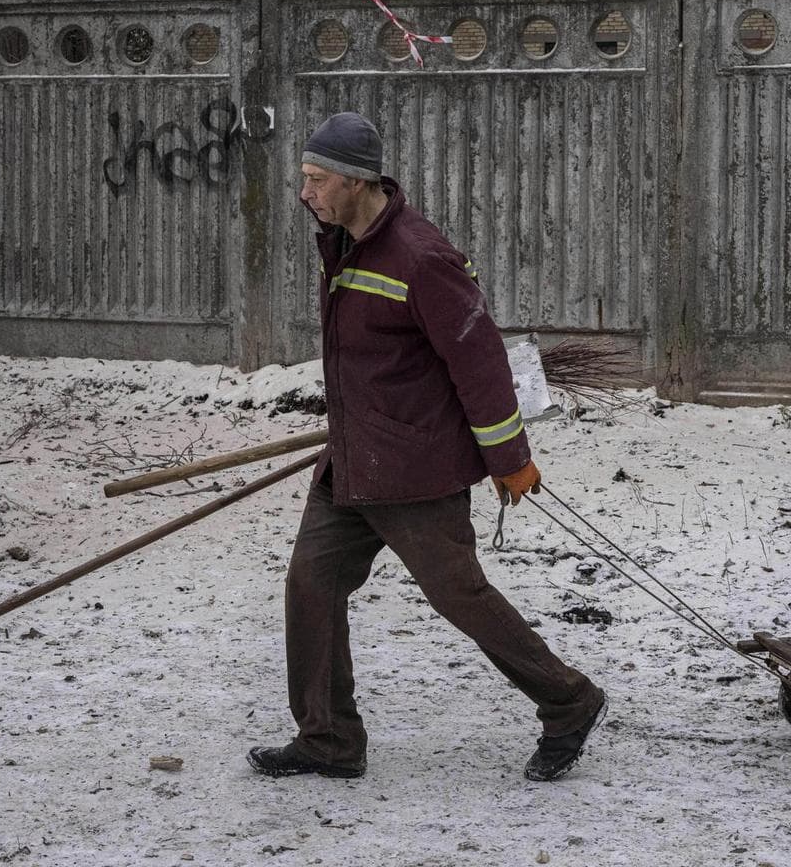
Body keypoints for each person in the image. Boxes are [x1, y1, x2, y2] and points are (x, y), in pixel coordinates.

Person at [246, 111, 607, 783]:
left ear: (357, 182)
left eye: (317, 180)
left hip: (416, 469)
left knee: (459, 595)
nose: (305, 192)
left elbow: (480, 365)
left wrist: (510, 459)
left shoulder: (421, 257)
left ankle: (569, 701)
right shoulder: (347, 242)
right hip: (354, 463)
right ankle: (326, 740)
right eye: (304, 178)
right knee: (312, 584)